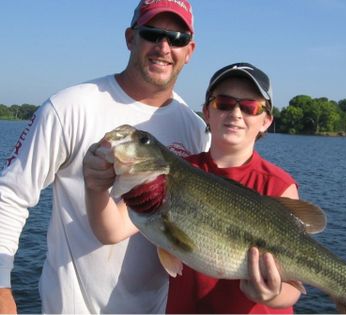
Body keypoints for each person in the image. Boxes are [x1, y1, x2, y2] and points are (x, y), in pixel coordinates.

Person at [0, 0, 210, 313]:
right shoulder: (69, 108)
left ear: (189, 50)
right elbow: (10, 195)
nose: (164, 47)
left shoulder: (195, 129)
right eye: (152, 34)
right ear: (130, 38)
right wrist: (2, 287)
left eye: (177, 39)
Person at [83, 62, 302, 314]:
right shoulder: (175, 172)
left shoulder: (278, 184)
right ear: (207, 112)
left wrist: (272, 295)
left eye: (250, 107)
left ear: (266, 121)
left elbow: (294, 289)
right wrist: (95, 188)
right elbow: (111, 231)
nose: (237, 113)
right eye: (224, 103)